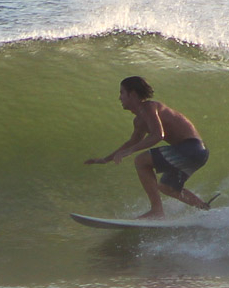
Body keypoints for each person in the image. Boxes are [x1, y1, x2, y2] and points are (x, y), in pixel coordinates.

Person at [85, 76, 212, 218]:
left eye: (122, 93)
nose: (119, 98)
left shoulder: (149, 107)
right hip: (199, 153)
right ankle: (204, 208)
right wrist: (105, 159)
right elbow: (132, 141)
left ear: (132, 94)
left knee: (141, 161)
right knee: (167, 187)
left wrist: (130, 152)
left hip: (191, 148)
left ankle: (157, 211)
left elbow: (158, 135)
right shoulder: (139, 120)